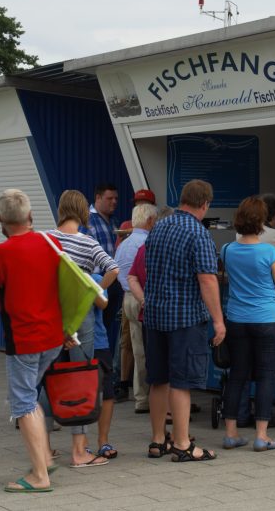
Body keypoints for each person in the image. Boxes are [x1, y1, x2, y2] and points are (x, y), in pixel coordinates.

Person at [0, 189, 74, 492]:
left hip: (23, 338)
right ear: (30, 216)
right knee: (30, 395)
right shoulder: (52, 242)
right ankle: (43, 458)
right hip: (53, 337)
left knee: (23, 402)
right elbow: (64, 287)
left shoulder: (1, 252)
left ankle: (40, 474)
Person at [144, 179, 224, 462]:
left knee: (158, 380)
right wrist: (218, 321)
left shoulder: (159, 227)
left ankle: (157, 440)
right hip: (184, 318)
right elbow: (207, 279)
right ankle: (182, 443)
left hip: (154, 316)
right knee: (181, 382)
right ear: (205, 204)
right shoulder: (198, 233)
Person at [41, 190, 117, 468]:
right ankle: (79, 450)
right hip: (81, 317)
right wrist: (93, 289)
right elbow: (114, 268)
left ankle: (46, 450)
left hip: (50, 316)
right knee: (78, 379)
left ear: (61, 209)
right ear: (83, 211)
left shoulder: (45, 239)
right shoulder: (88, 242)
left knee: (48, 379)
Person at [221, 196, 275, 452]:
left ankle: (231, 433)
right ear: (261, 222)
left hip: (237, 319)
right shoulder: (269, 251)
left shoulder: (227, 250)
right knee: (267, 375)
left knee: (237, 374)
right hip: (267, 319)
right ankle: (261, 435)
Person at [84, 183, 128, 400]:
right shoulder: (89, 222)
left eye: (116, 199)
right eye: (110, 198)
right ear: (98, 198)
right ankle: (97, 380)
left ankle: (103, 379)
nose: (114, 203)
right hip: (99, 283)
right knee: (97, 332)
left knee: (106, 330)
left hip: (113, 283)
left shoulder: (113, 222)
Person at [114, 202, 157, 414]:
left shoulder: (124, 244)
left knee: (136, 348)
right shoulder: (149, 242)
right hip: (143, 298)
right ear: (150, 220)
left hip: (127, 297)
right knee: (149, 350)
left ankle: (141, 398)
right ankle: (149, 397)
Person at [90, 274, 117, 460]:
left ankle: (103, 440)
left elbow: (103, 303)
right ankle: (80, 443)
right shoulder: (60, 275)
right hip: (69, 342)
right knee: (76, 394)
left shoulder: (97, 278)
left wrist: (88, 286)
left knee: (107, 391)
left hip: (98, 342)